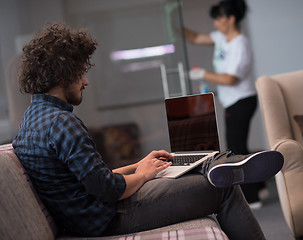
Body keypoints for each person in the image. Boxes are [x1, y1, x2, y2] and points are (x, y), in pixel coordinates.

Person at [12, 22, 283, 240]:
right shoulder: (62, 123)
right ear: (62, 75)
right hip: (109, 217)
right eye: (80, 73)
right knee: (222, 188)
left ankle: (216, 163)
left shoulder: (30, 121)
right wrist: (142, 176)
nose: (85, 81)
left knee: (171, 167)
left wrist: (138, 166)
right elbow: (107, 189)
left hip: (90, 215)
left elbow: (89, 180)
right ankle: (223, 165)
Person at [183, 0, 265, 209]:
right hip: (232, 101)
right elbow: (194, 37)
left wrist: (203, 74)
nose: (215, 23)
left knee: (236, 149)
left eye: (219, 18)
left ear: (231, 19)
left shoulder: (240, 44)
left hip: (242, 100)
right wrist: (172, 22)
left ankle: (253, 197)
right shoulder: (220, 37)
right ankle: (260, 186)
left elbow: (230, 79)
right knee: (239, 146)